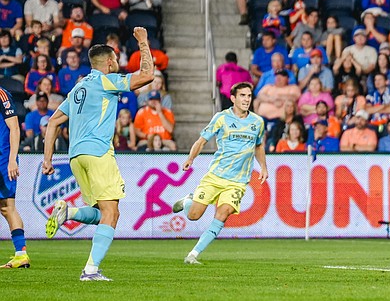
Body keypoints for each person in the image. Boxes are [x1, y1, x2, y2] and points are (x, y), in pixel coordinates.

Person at [43, 27, 156, 281]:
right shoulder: (107, 81)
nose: (118, 63)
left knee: (99, 212)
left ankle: (68, 213)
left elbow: (52, 123)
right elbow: (148, 75)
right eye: (115, 60)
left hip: (76, 157)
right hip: (98, 154)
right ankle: (91, 270)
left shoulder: (78, 89)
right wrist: (144, 42)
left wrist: (47, 159)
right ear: (109, 62)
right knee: (112, 213)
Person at [172, 82, 267, 265]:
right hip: (215, 176)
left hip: (238, 181)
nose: (247, 99)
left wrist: (263, 167)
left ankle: (193, 254)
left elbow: (259, 145)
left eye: (249, 96)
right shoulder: (221, 118)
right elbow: (201, 141)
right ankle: (187, 201)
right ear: (233, 98)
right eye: (243, 96)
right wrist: (190, 158)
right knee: (193, 215)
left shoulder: (257, 122)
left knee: (223, 214)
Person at [0, 86, 28, 268]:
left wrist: (12, 159)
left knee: (8, 206)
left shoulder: (2, 94)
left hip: (2, 158)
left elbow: (14, 127)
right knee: (6, 208)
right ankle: (21, 254)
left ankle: (21, 254)